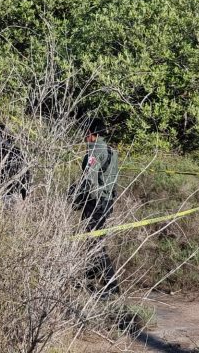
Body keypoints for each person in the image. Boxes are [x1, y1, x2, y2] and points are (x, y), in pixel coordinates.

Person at [71, 119, 120, 295]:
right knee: (93, 242)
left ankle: (113, 287)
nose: (85, 136)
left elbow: (88, 181)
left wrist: (75, 196)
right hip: (107, 202)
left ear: (91, 133)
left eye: (86, 132)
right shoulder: (112, 151)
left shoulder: (93, 152)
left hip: (95, 203)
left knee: (94, 244)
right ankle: (87, 280)